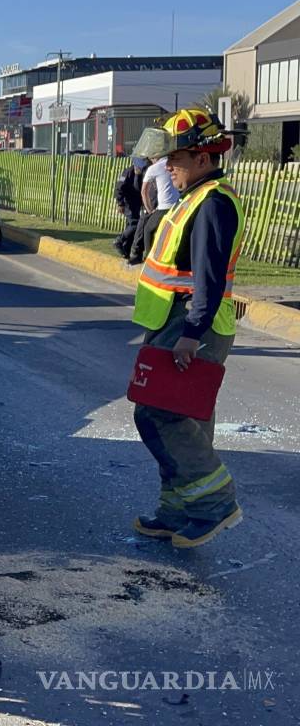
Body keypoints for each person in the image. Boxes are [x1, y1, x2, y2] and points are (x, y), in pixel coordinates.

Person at [129, 109, 245, 548]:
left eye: (174, 159)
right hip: (173, 321)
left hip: (192, 325)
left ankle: (215, 504)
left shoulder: (213, 202)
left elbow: (209, 278)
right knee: (186, 417)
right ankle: (177, 510)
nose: (166, 168)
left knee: (159, 414)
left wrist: (191, 334)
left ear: (202, 157)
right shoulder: (194, 197)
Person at [127, 154, 180, 264]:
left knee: (148, 230)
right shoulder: (175, 164)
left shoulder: (154, 168)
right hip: (178, 206)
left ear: (154, 157)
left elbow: (143, 191)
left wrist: (150, 210)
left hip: (164, 208)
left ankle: (148, 257)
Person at [112, 156, 148, 258]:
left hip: (137, 203)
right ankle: (119, 240)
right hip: (129, 203)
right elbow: (119, 187)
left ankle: (126, 250)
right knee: (135, 224)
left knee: (131, 226)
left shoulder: (142, 173)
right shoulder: (128, 172)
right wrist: (120, 203)